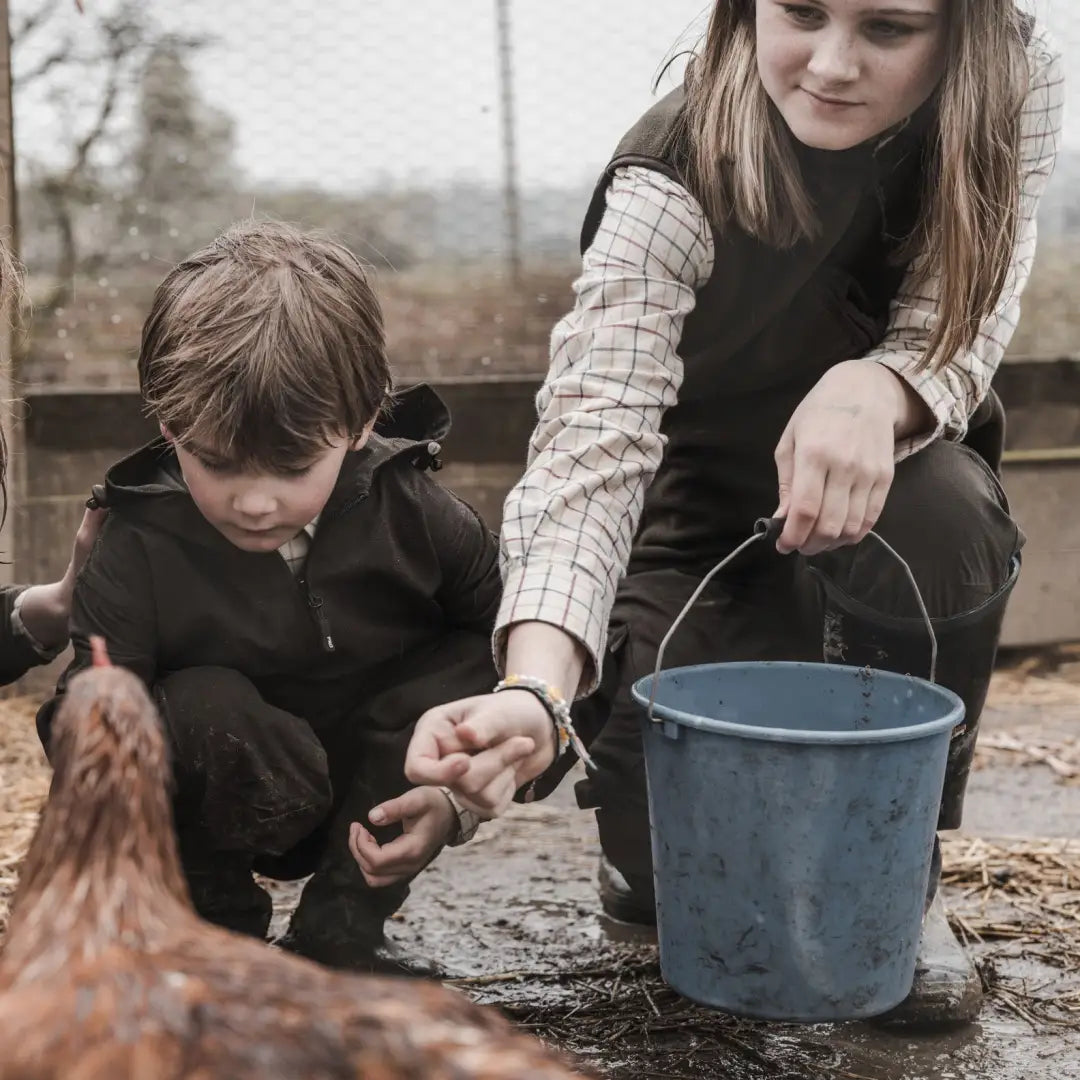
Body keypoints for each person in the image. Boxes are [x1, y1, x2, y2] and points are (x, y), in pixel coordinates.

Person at [402, 0, 1063, 1025]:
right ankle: (652, 823)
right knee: (668, 846)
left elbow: (963, 321)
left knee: (940, 509)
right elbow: (594, 443)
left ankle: (893, 880)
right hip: (704, 537)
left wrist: (880, 387)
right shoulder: (668, 175)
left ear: (962, 33)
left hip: (894, 506)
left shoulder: (1013, 90)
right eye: (800, 12)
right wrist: (536, 690)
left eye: (889, 28)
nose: (833, 64)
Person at [36, 220, 524, 974]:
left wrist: (459, 799)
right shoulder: (135, 540)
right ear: (170, 427)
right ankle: (212, 934)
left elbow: (519, 646)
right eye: (219, 465)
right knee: (180, 704)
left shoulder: (417, 514)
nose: (255, 502)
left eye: (292, 467)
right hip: (217, 780)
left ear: (361, 423)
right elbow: (93, 715)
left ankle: (342, 927)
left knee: (472, 662)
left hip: (370, 776)